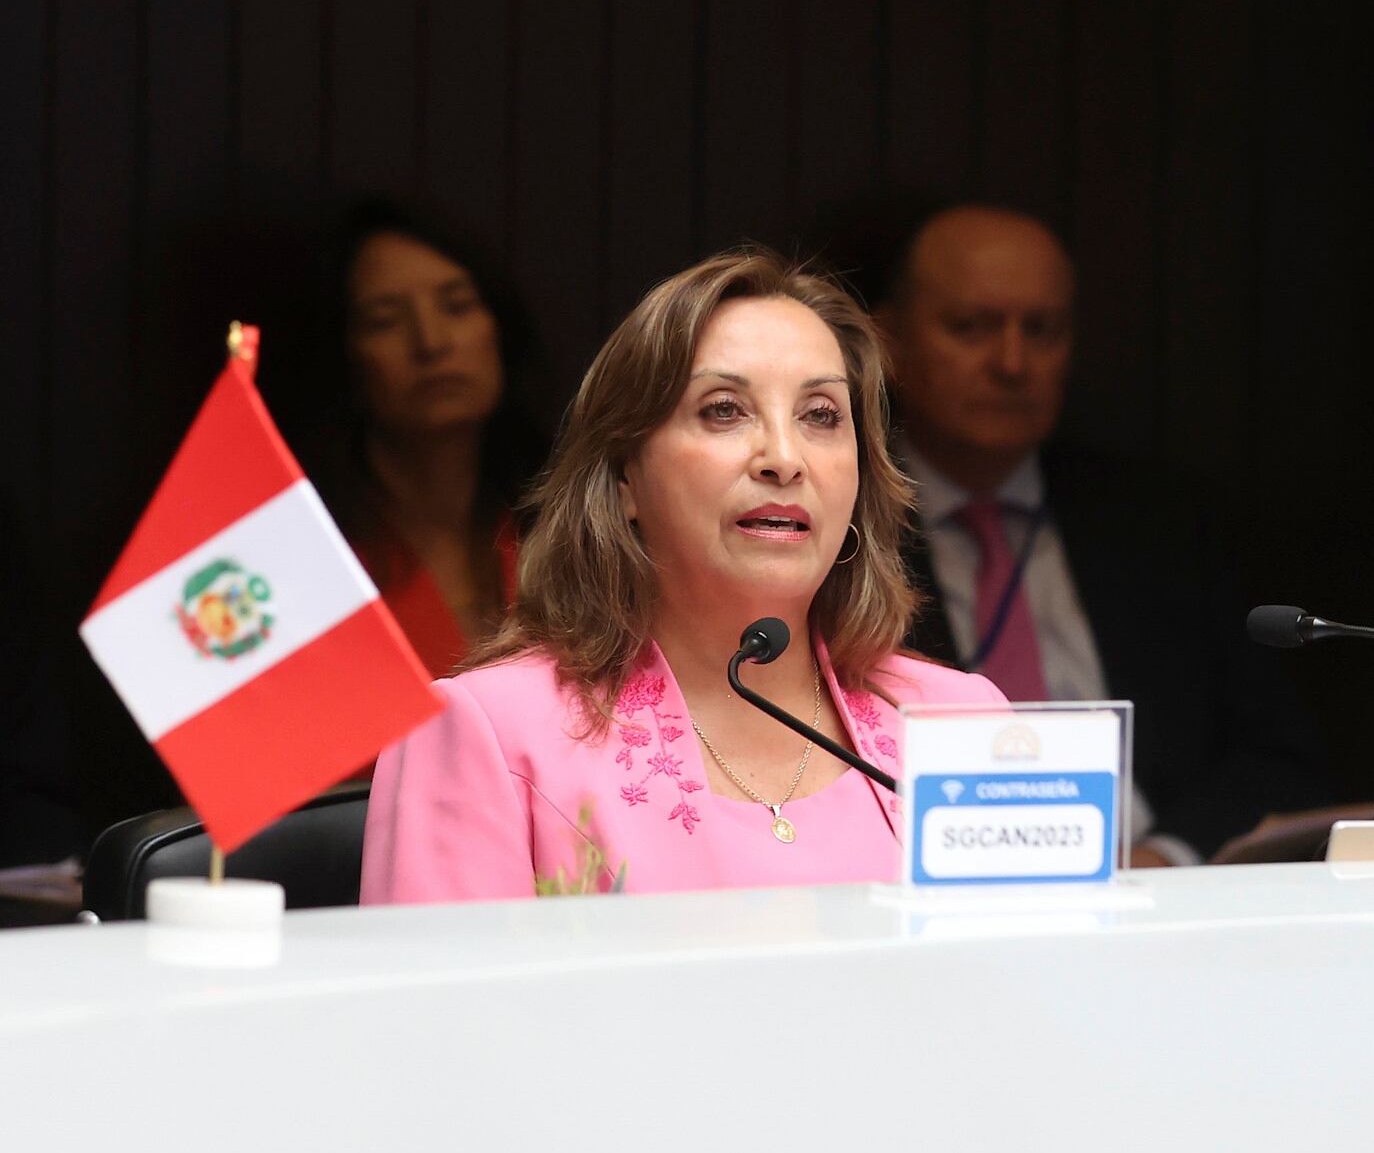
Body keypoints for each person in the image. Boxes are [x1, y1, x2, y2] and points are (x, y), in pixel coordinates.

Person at [362, 250, 1005, 903]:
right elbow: (435, 1008)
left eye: (820, 416)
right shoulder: (490, 736)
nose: (784, 458)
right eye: (724, 410)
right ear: (624, 478)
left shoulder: (961, 724)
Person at [876, 205, 1331, 864]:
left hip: (1159, 892)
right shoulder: (848, 533)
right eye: (972, 328)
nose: (1011, 361)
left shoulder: (1159, 522)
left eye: (1043, 330)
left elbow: (1280, 757)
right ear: (888, 339)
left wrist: (1168, 854)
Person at [288, 200, 548, 680]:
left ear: (499, 327)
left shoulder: (567, 528)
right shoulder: (296, 555)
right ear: (343, 354)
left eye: (457, 306)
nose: (431, 342)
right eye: (384, 320)